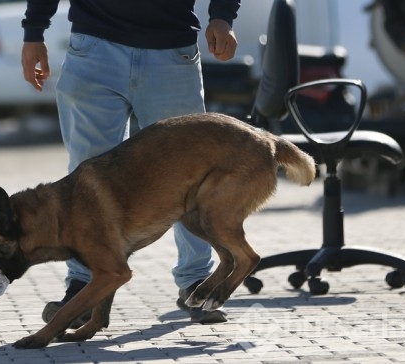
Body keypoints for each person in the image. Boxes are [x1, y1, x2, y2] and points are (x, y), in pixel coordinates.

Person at [21, 0, 241, 325]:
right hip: (95, 49)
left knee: (191, 174)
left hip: (171, 50)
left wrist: (223, 16)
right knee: (85, 180)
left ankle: (197, 281)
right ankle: (84, 286)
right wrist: (34, 32)